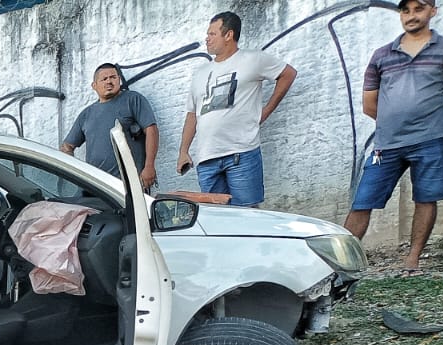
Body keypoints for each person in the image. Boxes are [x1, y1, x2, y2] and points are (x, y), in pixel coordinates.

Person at [344, 0, 443, 274]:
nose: (411, 15)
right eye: (405, 10)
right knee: (362, 201)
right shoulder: (381, 55)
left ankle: (412, 261)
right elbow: (369, 104)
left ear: (433, 11)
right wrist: (396, 121)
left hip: (432, 140)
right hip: (386, 144)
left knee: (425, 198)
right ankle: (339, 263)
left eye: (419, 8)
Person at [177, 11, 298, 206]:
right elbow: (192, 114)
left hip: (241, 152)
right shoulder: (200, 73)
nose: (207, 39)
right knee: (217, 217)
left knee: (247, 215)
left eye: (212, 34)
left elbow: (288, 74)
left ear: (229, 35)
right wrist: (183, 151)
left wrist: (266, 111)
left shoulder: (253, 59)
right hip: (207, 158)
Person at [62, 64, 160, 191]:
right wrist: (76, 176)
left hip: (131, 185)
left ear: (119, 80)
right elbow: (67, 147)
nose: (109, 81)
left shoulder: (133, 100)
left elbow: (151, 130)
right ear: (94, 86)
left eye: (113, 77)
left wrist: (149, 166)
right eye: (104, 79)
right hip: (97, 187)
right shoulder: (86, 114)